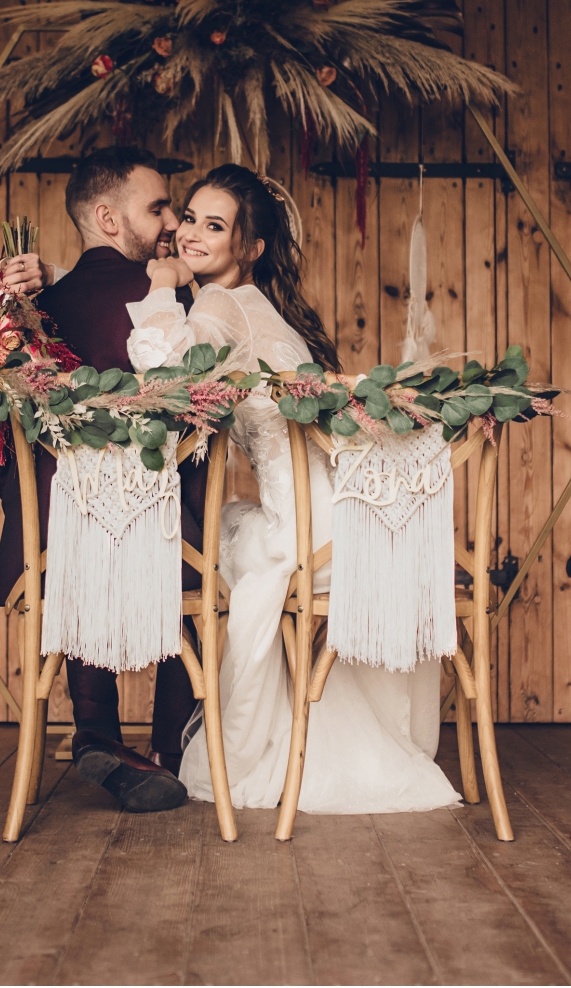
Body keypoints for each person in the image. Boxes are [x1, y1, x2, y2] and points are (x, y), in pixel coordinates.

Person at [125, 164, 460, 814]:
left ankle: (240, 740)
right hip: (350, 522)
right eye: (188, 217)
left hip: (305, 529)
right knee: (232, 528)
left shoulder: (221, 304)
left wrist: (161, 284)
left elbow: (164, 369)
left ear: (249, 248)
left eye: (213, 225)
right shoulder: (266, 310)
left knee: (214, 533)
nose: (191, 234)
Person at [0, 146, 205, 811]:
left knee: (95, 534)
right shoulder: (164, 301)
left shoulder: (32, 317)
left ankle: (97, 731)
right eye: (157, 206)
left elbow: (0, 449)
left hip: (48, 549)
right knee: (197, 524)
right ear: (107, 217)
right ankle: (172, 742)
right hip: (164, 548)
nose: (171, 221)